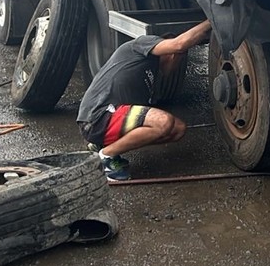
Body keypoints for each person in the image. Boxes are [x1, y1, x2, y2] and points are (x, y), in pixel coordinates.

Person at [77, 19, 212, 180]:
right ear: (168, 50)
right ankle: (107, 157)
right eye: (177, 57)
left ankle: (104, 146)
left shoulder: (153, 78)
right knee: (163, 122)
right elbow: (179, 44)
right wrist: (211, 20)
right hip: (97, 117)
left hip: (107, 122)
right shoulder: (141, 45)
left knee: (178, 129)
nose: (177, 63)